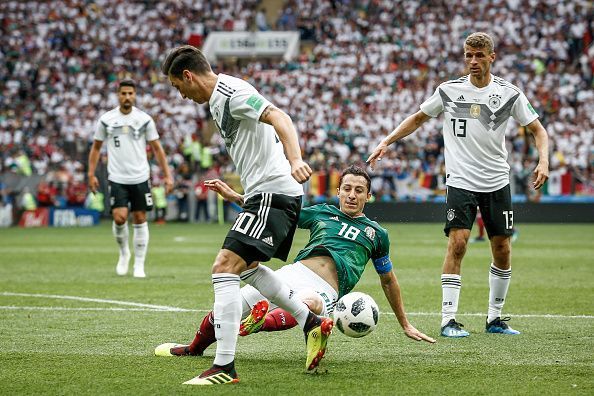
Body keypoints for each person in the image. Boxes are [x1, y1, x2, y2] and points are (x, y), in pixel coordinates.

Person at [161, 45, 326, 385]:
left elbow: (280, 117)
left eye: (179, 88)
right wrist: (240, 195)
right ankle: (309, 322)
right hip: (265, 194)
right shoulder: (219, 100)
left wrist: (295, 159)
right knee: (248, 269)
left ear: (188, 76)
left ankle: (224, 366)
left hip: (274, 191)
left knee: (224, 267)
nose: (182, 96)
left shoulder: (232, 93)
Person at [368, 32, 549, 338]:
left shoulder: (510, 94)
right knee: (458, 243)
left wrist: (543, 160)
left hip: (496, 180)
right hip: (461, 179)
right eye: (468, 55)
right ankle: (448, 320)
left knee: (502, 248)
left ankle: (495, 319)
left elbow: (537, 129)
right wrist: (387, 141)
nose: (473, 61)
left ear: (492, 57)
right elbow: (417, 118)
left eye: (479, 55)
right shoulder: (449, 91)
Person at [154, 166, 435, 356]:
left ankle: (258, 321)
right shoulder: (321, 212)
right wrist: (237, 197)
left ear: (368, 196)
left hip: (327, 289)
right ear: (338, 192)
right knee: (228, 307)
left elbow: (388, 280)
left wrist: (405, 323)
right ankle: (194, 348)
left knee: (309, 304)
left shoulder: (377, 234)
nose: (352, 194)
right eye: (347, 188)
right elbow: (276, 213)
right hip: (292, 272)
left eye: (359, 190)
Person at [88, 79, 173, 278]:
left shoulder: (144, 119)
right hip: (117, 177)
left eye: (130, 93)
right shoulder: (106, 120)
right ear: (118, 95)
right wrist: (91, 174)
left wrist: (168, 175)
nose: (127, 97)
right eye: (123, 93)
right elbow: (96, 148)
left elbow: (157, 149)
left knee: (140, 218)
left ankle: (139, 265)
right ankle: (124, 253)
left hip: (140, 177)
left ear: (135, 95)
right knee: (119, 218)